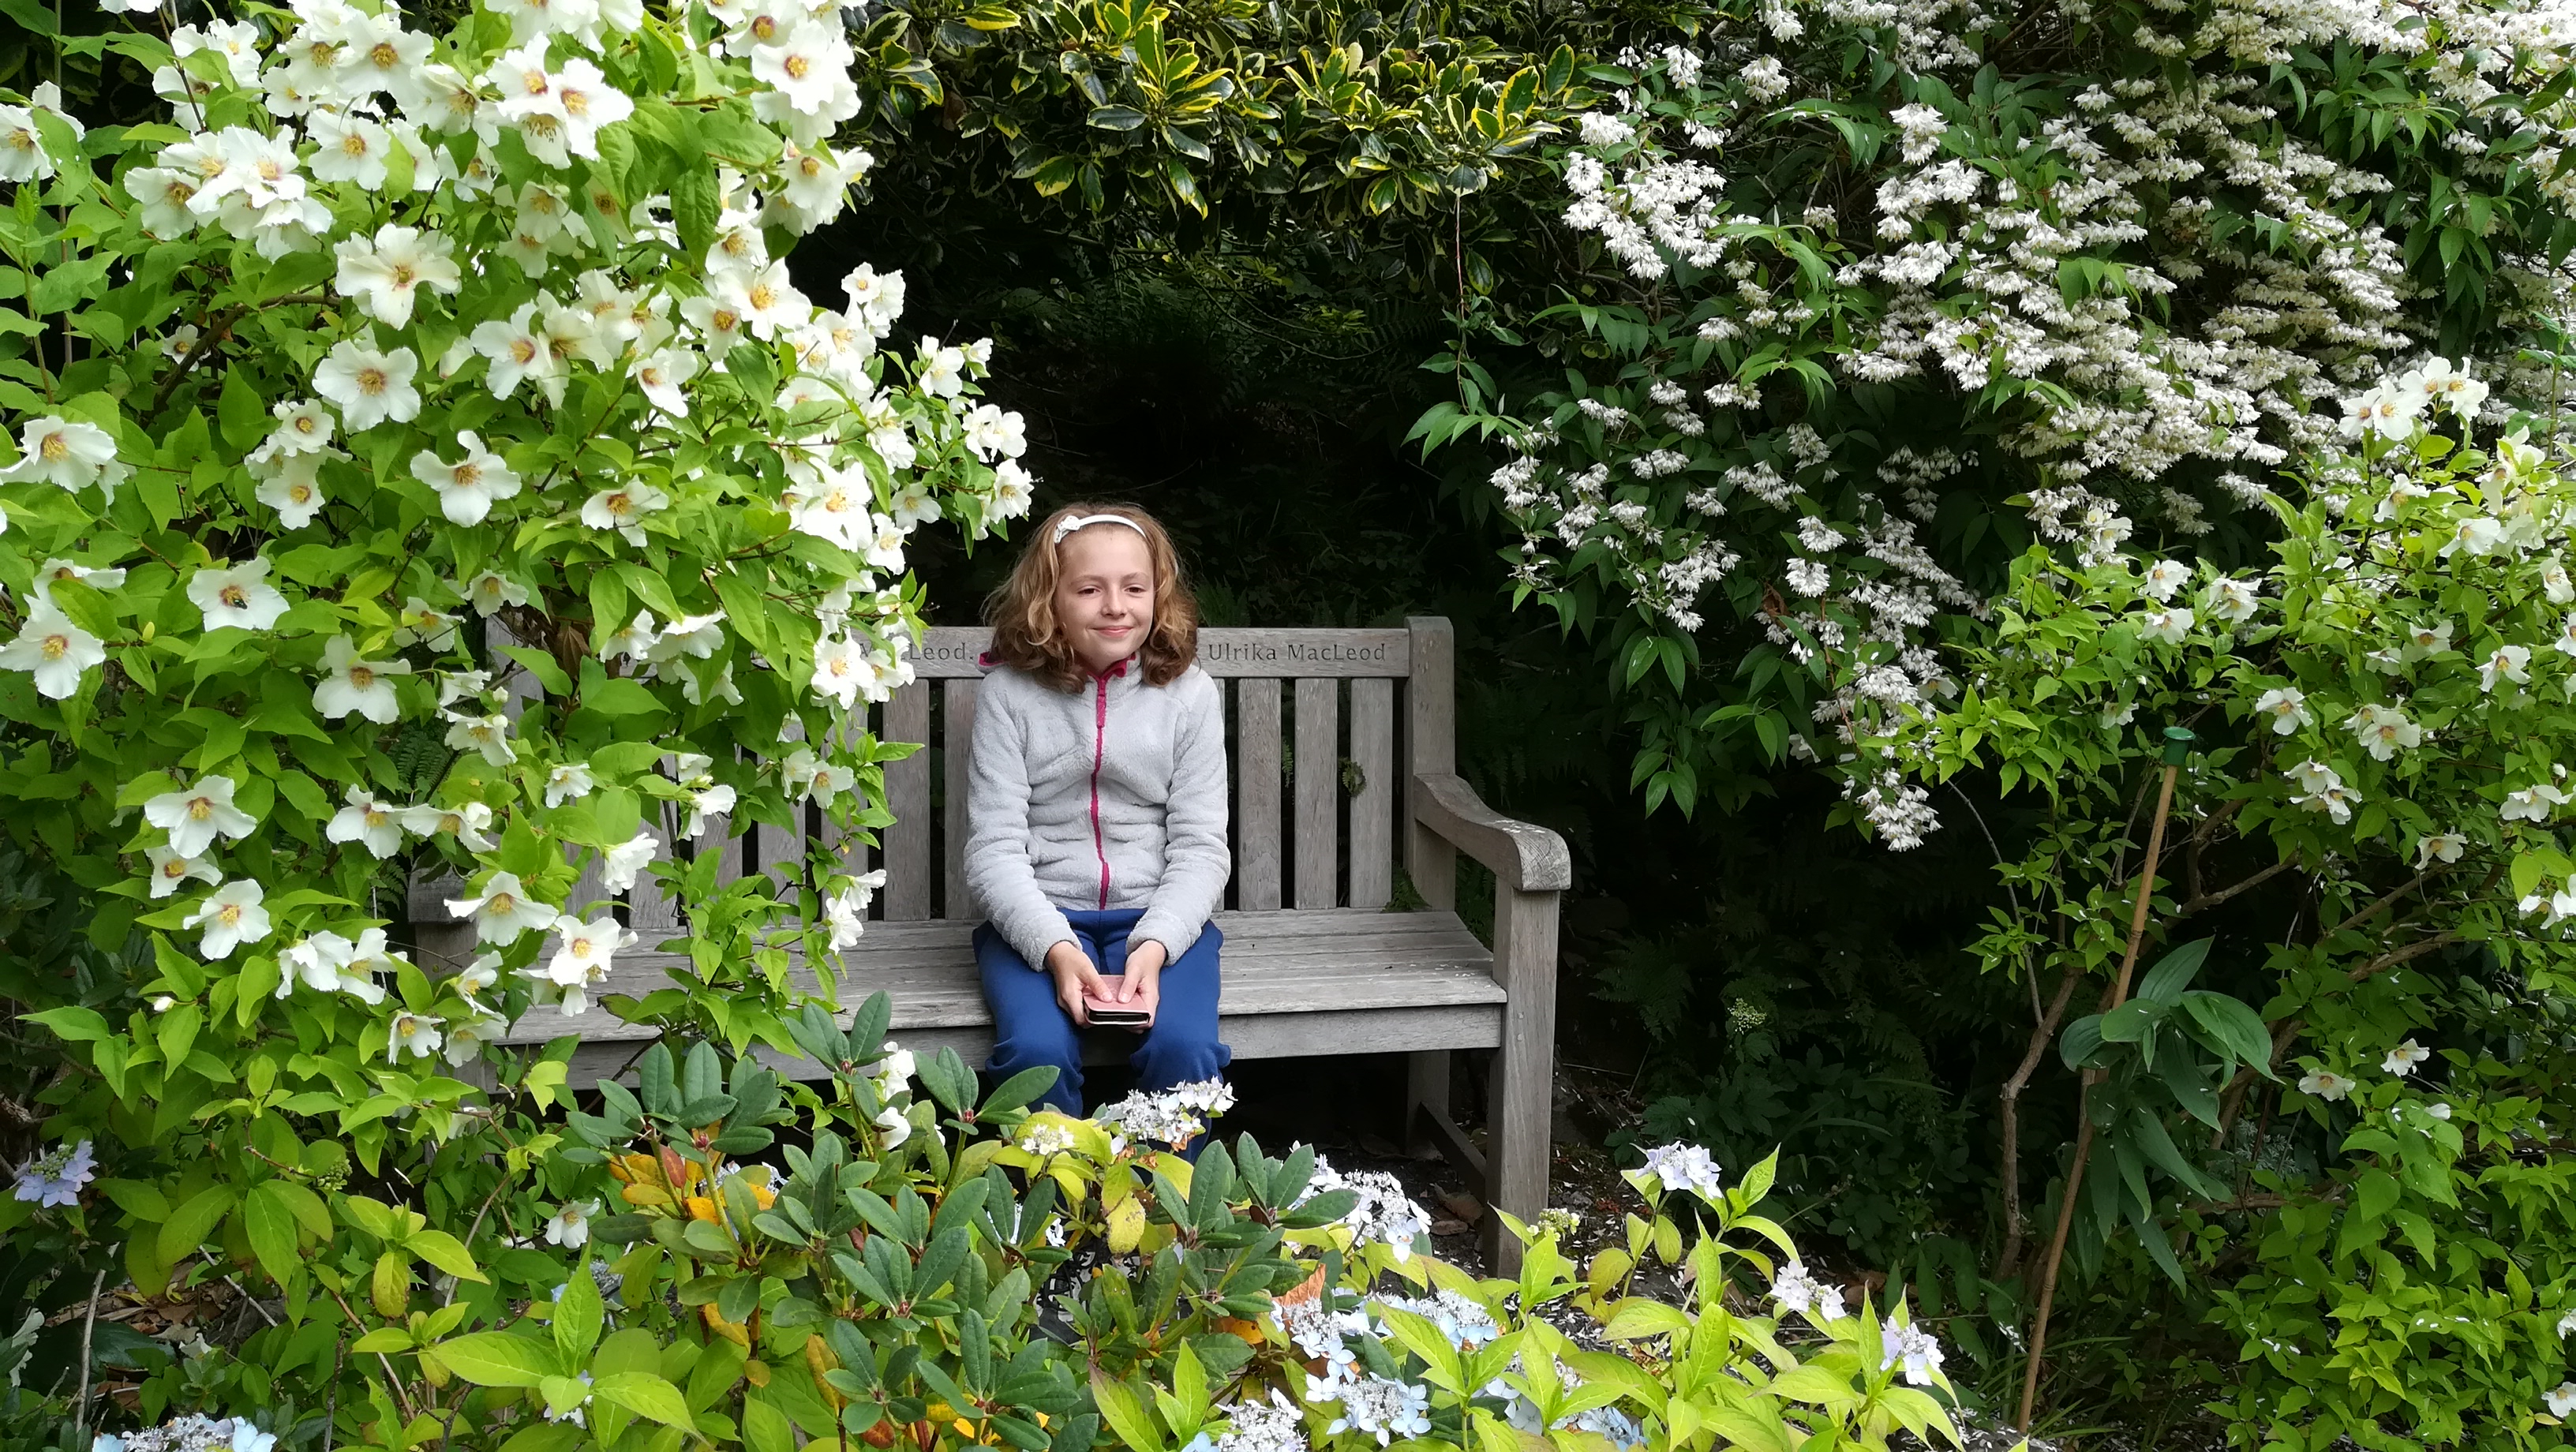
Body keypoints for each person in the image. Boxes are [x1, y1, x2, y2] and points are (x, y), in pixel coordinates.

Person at [964, 503, 1231, 1117]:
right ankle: (1048, 1181)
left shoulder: (1189, 694)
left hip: (1161, 918)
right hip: (1038, 920)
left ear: (1158, 595)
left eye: (1135, 588)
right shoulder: (1008, 694)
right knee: (1034, 1054)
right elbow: (993, 850)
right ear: (1049, 600)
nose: (1116, 606)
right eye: (1089, 589)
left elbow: (1201, 847)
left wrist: (1156, 945)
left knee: (1186, 1049)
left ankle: (1163, 1181)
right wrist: (1056, 949)